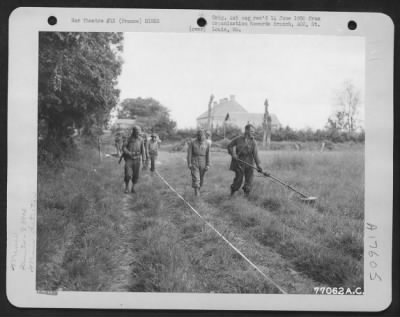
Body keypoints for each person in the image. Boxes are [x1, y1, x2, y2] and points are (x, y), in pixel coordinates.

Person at [227, 124, 263, 196]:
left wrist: (258, 165)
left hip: (250, 163)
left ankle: (246, 196)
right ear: (246, 130)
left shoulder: (253, 142)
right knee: (238, 180)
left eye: (253, 131)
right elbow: (229, 146)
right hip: (239, 163)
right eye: (251, 131)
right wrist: (233, 154)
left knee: (249, 181)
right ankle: (232, 193)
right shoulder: (238, 139)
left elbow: (255, 154)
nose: (253, 132)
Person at [122, 126, 146, 193]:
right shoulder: (128, 139)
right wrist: (128, 153)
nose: (138, 133)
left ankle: (133, 188)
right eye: (136, 132)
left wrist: (144, 159)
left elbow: (143, 149)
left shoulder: (141, 139)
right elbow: (123, 147)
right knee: (128, 174)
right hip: (129, 159)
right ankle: (126, 188)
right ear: (133, 132)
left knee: (136, 175)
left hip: (137, 159)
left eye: (139, 132)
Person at [187, 129, 210, 196]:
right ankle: (197, 194)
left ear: (204, 135)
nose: (200, 137)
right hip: (194, 161)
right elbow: (189, 154)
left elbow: (208, 154)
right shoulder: (192, 142)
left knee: (201, 178)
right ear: (197, 135)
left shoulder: (207, 143)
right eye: (199, 135)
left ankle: (198, 190)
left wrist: (208, 164)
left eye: (202, 135)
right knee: (196, 178)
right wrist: (189, 163)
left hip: (203, 161)